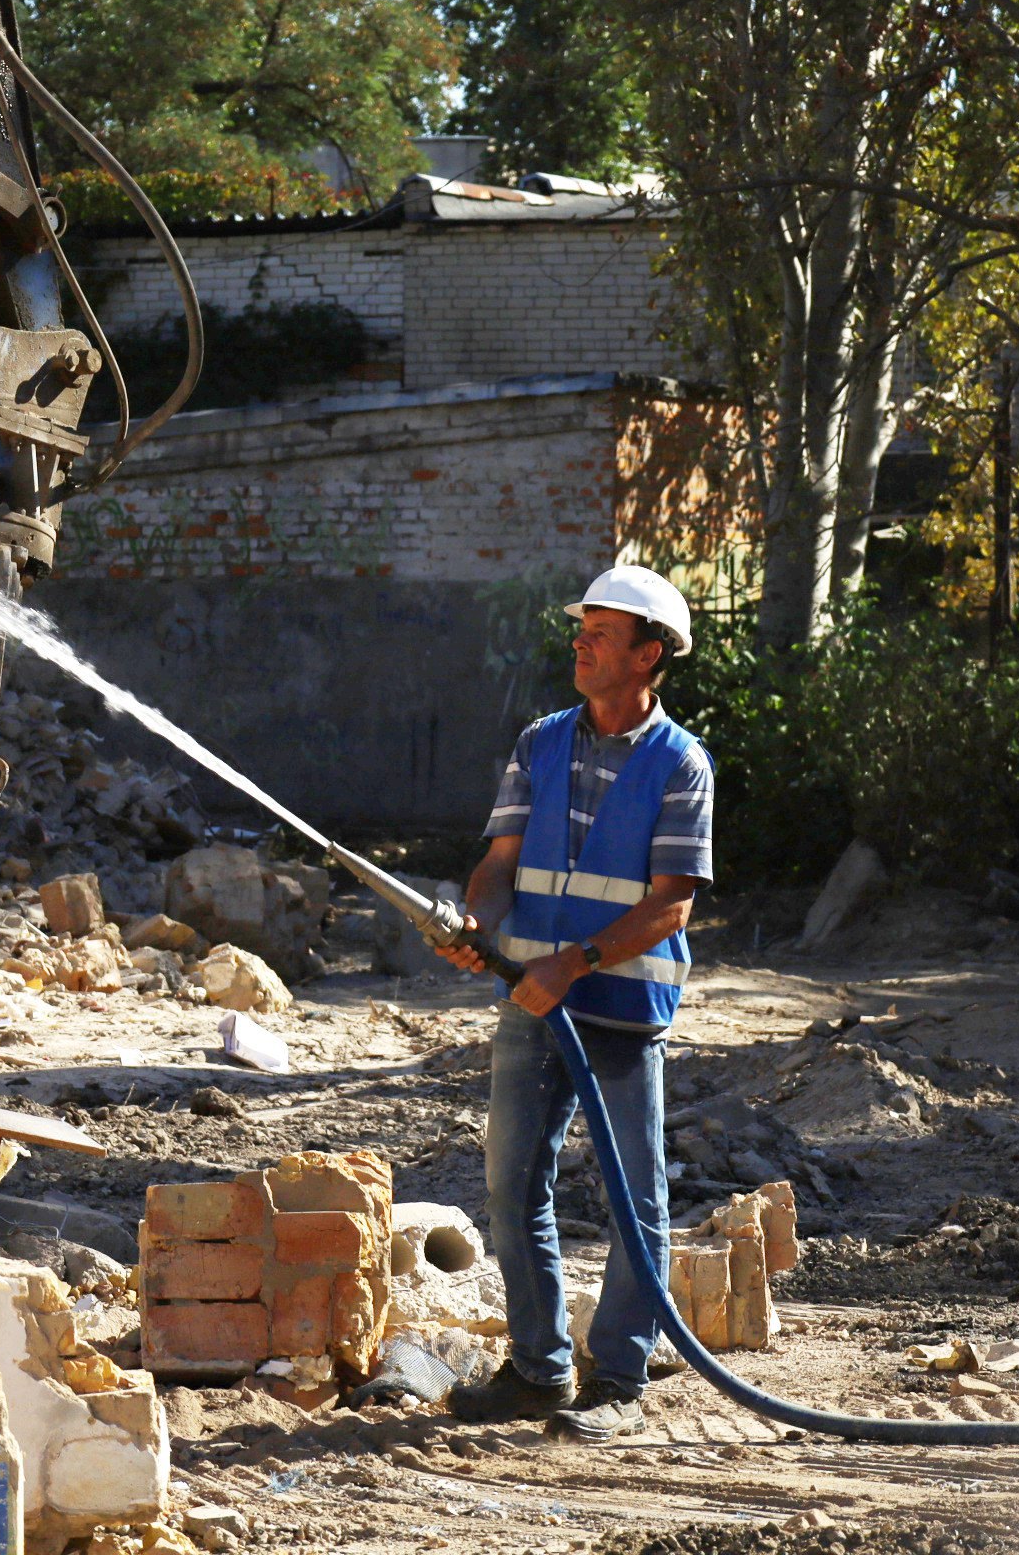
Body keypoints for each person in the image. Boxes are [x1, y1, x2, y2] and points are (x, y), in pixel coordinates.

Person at [437, 565, 714, 1442]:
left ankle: (621, 1378)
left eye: (600, 632)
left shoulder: (681, 764)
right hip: (529, 995)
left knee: (637, 1196)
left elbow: (672, 902)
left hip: (623, 1008)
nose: (580, 642)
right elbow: (500, 858)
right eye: (582, 628)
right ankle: (539, 1369)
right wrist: (475, 919)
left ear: (648, 654)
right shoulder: (541, 741)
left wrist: (577, 962)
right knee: (512, 1184)